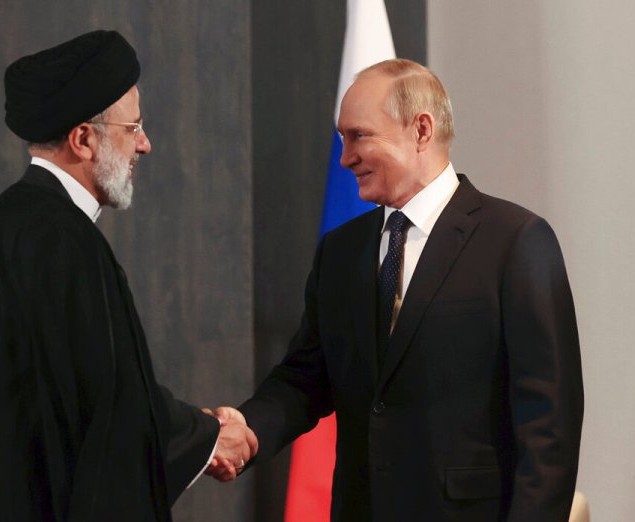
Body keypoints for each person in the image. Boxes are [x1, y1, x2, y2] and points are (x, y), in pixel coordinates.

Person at [210, 59, 584, 520]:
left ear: (421, 130)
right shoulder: (340, 252)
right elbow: (305, 377)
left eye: (358, 135)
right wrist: (248, 429)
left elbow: (549, 426)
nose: (345, 157)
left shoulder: (515, 240)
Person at [0, 29, 256, 522]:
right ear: (84, 138)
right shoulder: (63, 242)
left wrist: (196, 432)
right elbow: (110, 407)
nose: (146, 145)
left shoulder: (6, 224)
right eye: (133, 128)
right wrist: (209, 436)